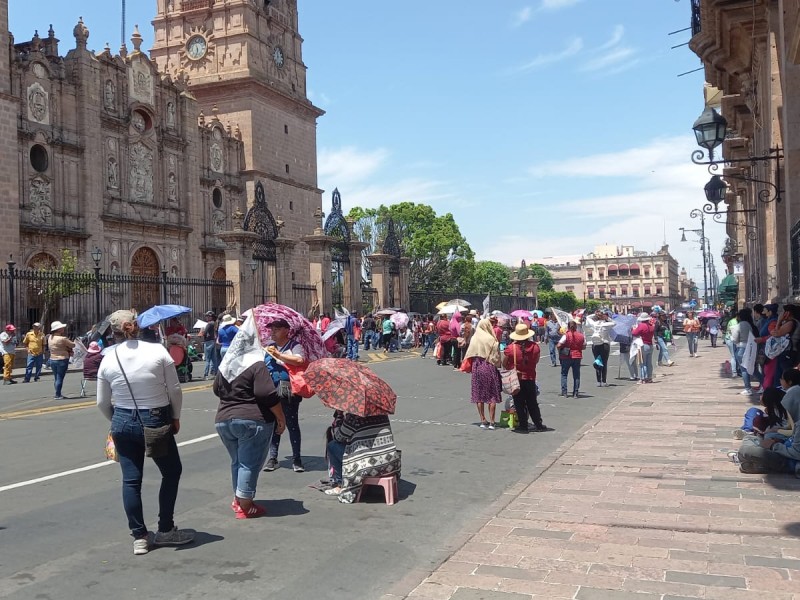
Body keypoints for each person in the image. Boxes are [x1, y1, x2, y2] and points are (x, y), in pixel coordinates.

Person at [96, 309, 193, 555]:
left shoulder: (108, 357)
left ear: (114, 331)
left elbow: (101, 402)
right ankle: (165, 529)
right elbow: (175, 390)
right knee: (171, 471)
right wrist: (175, 417)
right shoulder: (157, 351)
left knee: (131, 479)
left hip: (122, 420)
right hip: (156, 417)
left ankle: (139, 536)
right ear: (137, 325)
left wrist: (117, 419)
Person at [213, 320, 286, 519]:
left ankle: (238, 499)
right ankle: (245, 504)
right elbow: (266, 394)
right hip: (252, 420)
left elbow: (216, 389)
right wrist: (280, 418)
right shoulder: (256, 364)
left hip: (224, 420)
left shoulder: (226, 365)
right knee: (249, 464)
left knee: (237, 461)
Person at [325, 411, 401, 503]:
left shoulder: (354, 418)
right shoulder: (383, 415)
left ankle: (340, 484)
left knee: (332, 446)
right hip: (390, 463)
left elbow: (338, 437)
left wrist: (339, 417)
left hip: (368, 466)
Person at [263, 318, 306, 473]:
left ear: (286, 330)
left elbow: (299, 360)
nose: (272, 331)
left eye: (276, 328)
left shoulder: (295, 346)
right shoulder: (268, 347)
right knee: (273, 423)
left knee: (291, 423)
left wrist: (280, 356)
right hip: (270, 390)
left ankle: (297, 458)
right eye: (271, 329)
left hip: (287, 390)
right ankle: (272, 457)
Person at [502, 322, 547, 433]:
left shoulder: (511, 348)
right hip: (530, 377)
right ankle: (538, 424)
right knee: (532, 402)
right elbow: (536, 361)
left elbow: (504, 363)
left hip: (517, 378)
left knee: (519, 402)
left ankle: (523, 424)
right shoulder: (535, 347)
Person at [463, 318, 502, 429]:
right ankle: (492, 422)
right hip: (489, 366)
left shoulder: (475, 338)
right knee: (492, 395)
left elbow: (469, 352)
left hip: (477, 366)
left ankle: (482, 420)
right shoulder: (491, 339)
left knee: (479, 394)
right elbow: (496, 356)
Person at [732, 308, 759, 396]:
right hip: (751, 347)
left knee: (744, 369)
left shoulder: (738, 325)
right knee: (754, 369)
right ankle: (764, 384)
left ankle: (748, 388)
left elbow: (735, 339)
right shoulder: (750, 324)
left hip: (741, 348)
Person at [557, 319, 586, 397]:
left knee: (564, 374)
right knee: (576, 375)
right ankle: (575, 392)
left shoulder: (566, 335)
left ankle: (564, 392)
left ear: (568, 327)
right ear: (576, 327)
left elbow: (559, 345)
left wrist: (562, 350)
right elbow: (584, 346)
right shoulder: (581, 335)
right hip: (577, 356)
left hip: (567, 356)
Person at [585, 310, 615, 386]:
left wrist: (595, 314)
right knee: (604, 363)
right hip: (604, 344)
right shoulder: (606, 324)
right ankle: (604, 381)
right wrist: (607, 318)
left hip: (595, 344)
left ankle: (598, 381)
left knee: (598, 361)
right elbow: (614, 323)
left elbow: (587, 317)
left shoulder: (594, 324)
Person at [755, 303, 779, 388]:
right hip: (766, 348)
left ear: (770, 311)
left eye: (765, 310)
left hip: (770, 350)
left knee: (768, 371)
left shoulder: (773, 321)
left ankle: (767, 391)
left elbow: (773, 335)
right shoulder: (769, 320)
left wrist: (762, 339)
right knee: (766, 370)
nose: (763, 311)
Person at [48, 320, 74, 399]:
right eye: (61, 327)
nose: (63, 328)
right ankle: (58, 394)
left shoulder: (50, 337)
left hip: (52, 359)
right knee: (60, 377)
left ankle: (57, 392)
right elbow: (73, 345)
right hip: (62, 359)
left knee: (56, 377)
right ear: (58, 329)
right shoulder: (62, 338)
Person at [631, 313, 654, 384]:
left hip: (643, 345)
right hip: (650, 345)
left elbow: (634, 333)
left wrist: (633, 328)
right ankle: (649, 377)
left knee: (642, 362)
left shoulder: (641, 326)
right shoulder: (651, 326)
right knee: (649, 363)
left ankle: (643, 378)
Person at [200, 311, 219, 380]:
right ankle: (216, 373)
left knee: (207, 359)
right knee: (214, 359)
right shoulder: (214, 323)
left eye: (207, 316)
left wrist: (202, 331)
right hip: (213, 341)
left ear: (210, 317)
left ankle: (205, 374)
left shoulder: (209, 324)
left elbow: (204, 333)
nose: (206, 317)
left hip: (208, 342)